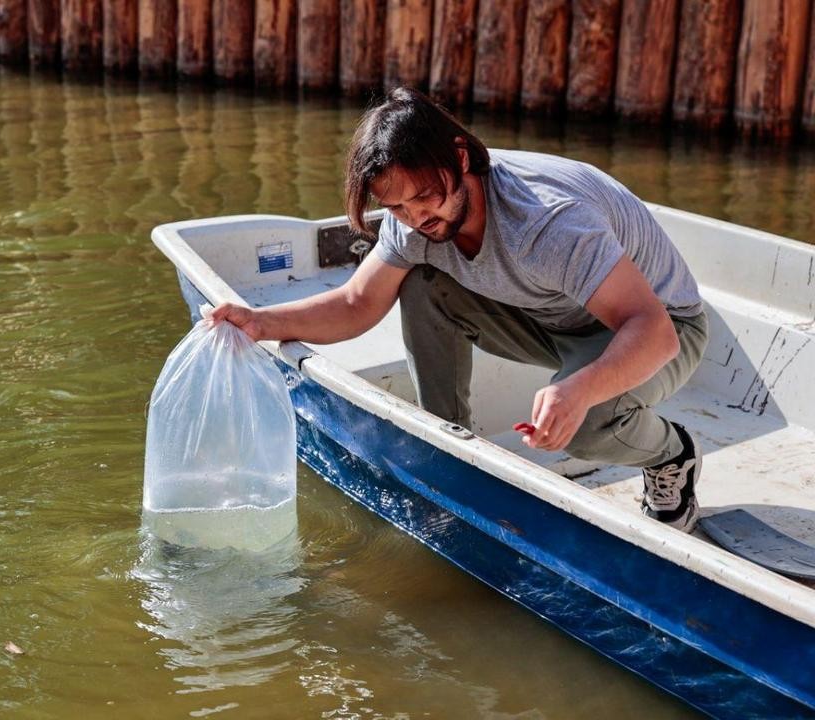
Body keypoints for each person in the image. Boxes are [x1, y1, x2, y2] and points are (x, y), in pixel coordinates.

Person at [213, 87, 709, 533]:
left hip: (661, 327)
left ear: (460, 156)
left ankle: (672, 455)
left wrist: (577, 390)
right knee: (424, 284)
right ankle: (450, 454)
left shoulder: (548, 223)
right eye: (398, 208)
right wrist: (260, 322)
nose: (417, 219)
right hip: (554, 319)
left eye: (426, 197)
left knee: (586, 421)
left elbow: (655, 331)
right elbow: (356, 303)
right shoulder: (411, 222)